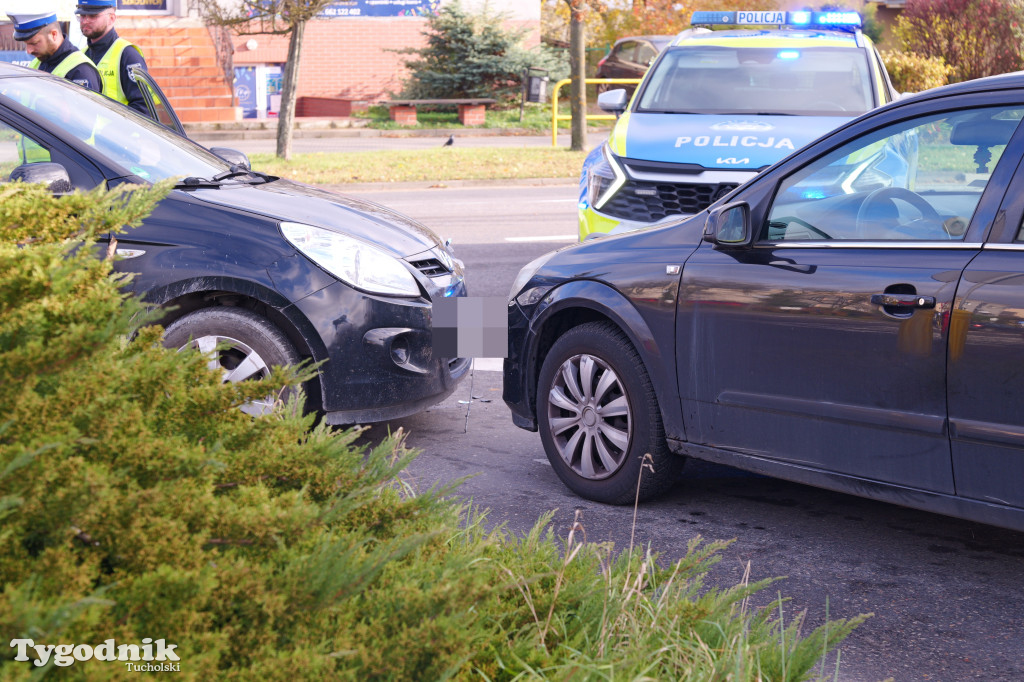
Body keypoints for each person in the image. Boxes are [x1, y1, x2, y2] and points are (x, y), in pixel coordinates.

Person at [75, 0, 150, 117]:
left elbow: (143, 108)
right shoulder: (81, 55)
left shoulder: (128, 54)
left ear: (111, 18)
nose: (85, 21)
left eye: (93, 16)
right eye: (82, 15)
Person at [8, 12, 101, 92]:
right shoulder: (36, 63)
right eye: (26, 44)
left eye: (34, 43)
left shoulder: (81, 70)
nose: (29, 51)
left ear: (53, 34)